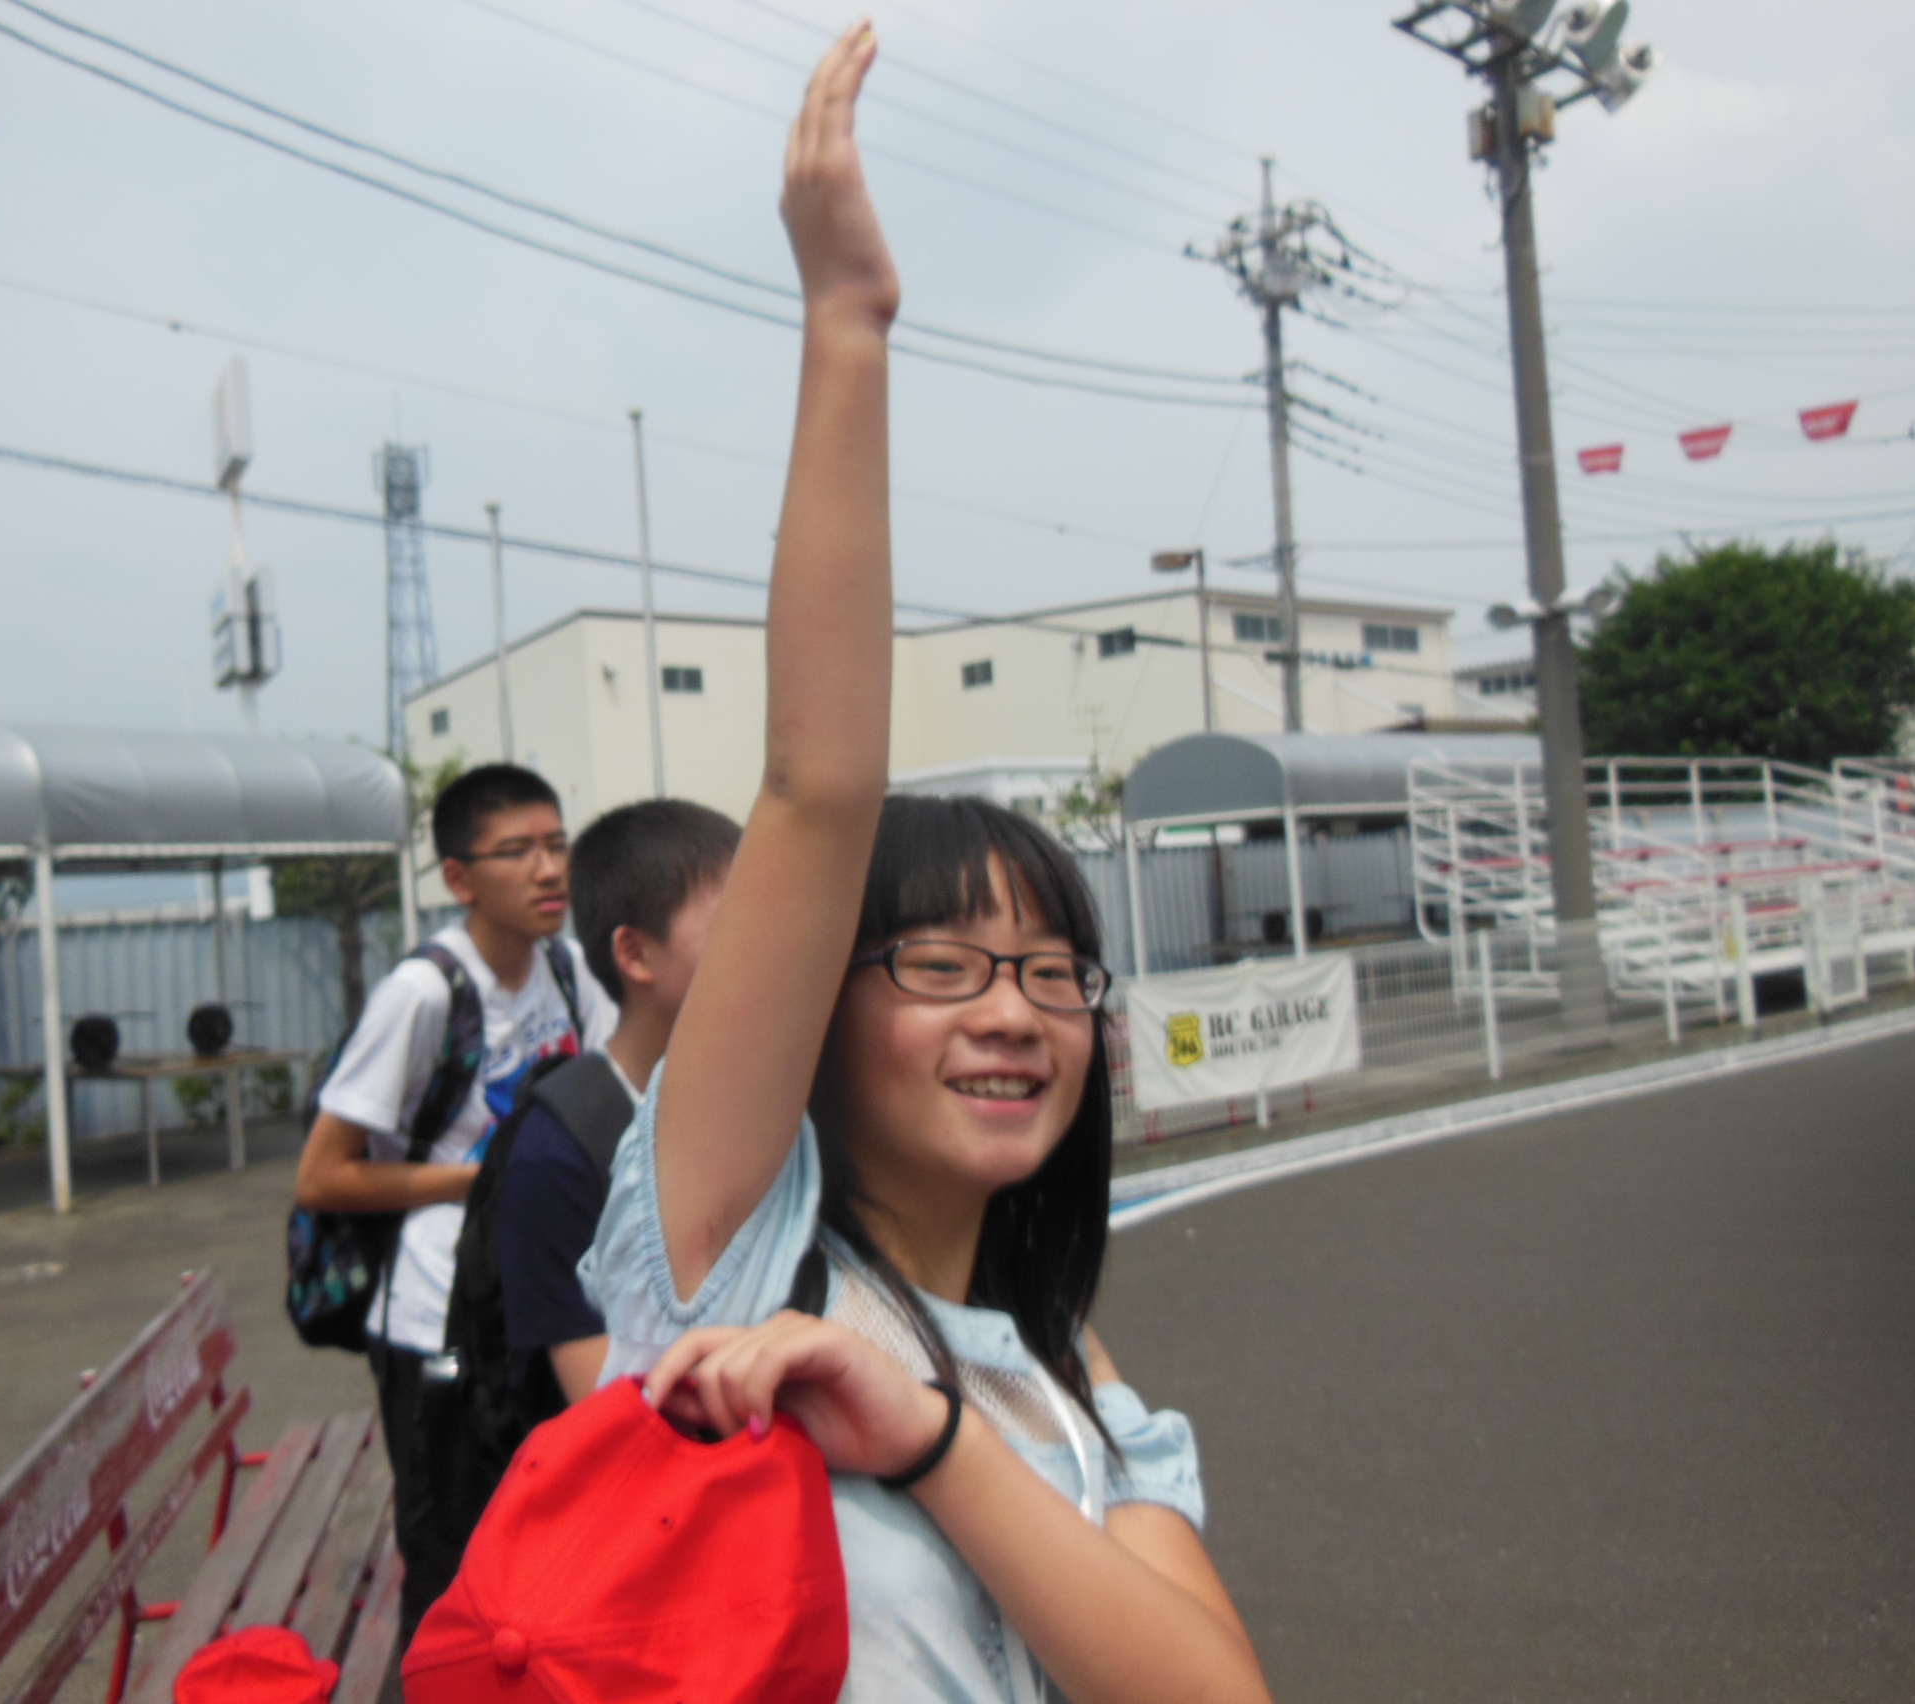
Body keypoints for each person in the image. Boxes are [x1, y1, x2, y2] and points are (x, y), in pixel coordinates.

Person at [581, 27, 1271, 1704]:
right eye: (945, 966)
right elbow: (819, 787)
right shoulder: (734, 1253)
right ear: (822, 1006)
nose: (1014, 1011)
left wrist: (937, 1438)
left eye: (1049, 972)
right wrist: (847, 325)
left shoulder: (1064, 1367)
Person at [294, 762, 616, 1634]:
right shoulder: (424, 992)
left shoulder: (568, 970)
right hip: (434, 1321)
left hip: (533, 1313)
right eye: (518, 851)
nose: (549, 869)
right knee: (450, 1570)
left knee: (540, 1560)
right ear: (459, 879)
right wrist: (488, 1178)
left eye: (557, 844)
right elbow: (323, 1175)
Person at [496, 798, 740, 1412]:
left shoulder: (784, 1101)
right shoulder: (557, 1152)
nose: (770, 948)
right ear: (634, 954)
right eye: (736, 925)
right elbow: (606, 1402)